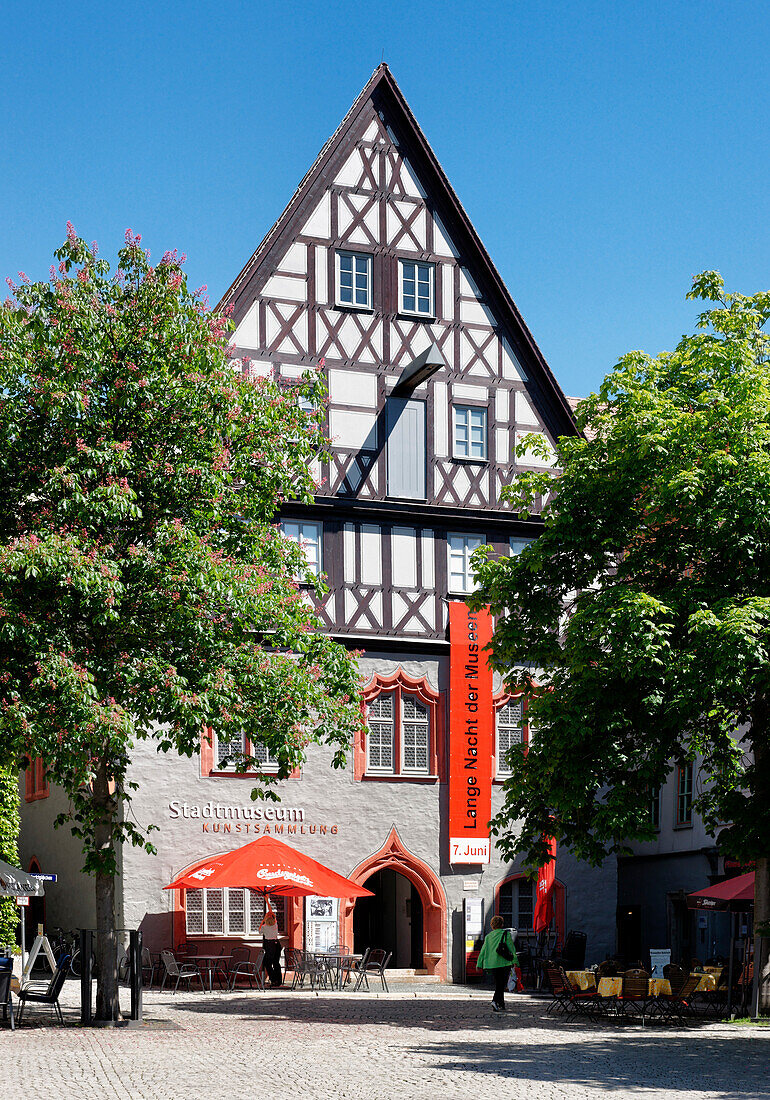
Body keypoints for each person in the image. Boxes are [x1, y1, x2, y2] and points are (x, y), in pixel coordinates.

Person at [477, 915, 518, 1013]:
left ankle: (501, 1004)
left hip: (492, 964)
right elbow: (512, 949)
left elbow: (483, 951)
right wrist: (515, 961)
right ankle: (495, 1001)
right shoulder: (506, 934)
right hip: (504, 963)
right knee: (501, 985)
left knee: (499, 984)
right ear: (502, 924)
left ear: (492, 925)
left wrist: (479, 963)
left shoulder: (488, 937)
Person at [260, 911, 282, 987]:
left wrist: (263, 920)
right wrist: (268, 902)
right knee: (276, 963)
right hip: (277, 944)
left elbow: (259, 931)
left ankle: (273, 979)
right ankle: (279, 980)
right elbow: (272, 913)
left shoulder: (264, 926)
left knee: (267, 963)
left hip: (269, 945)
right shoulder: (275, 925)